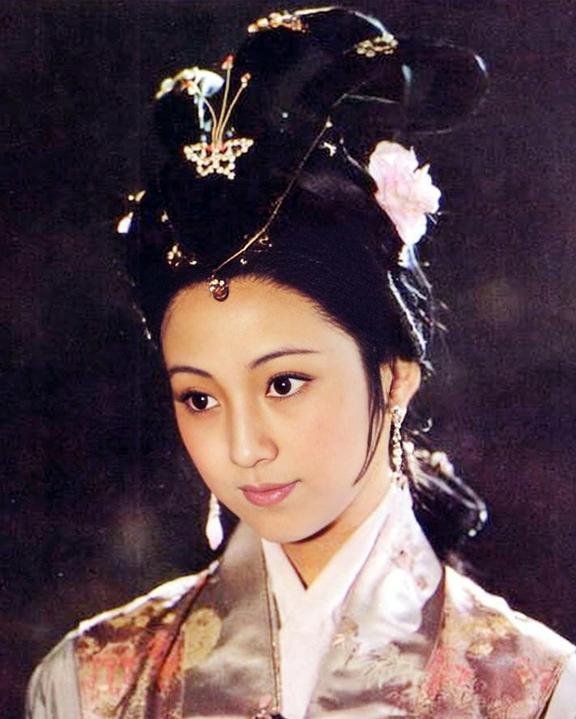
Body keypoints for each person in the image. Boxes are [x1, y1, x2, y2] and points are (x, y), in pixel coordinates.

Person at [26, 7, 575, 718]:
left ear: (395, 375)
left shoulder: (536, 691)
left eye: (284, 383)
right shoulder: (92, 683)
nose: (243, 447)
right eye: (199, 397)